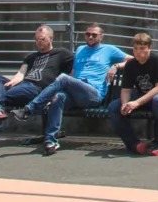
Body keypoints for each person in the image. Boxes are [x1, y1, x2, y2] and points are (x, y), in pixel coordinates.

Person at [23, 23, 128, 155]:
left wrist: (116, 66)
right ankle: (51, 141)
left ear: (101, 37)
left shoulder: (109, 50)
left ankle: (30, 108)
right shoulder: (80, 50)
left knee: (63, 78)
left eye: (94, 35)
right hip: (76, 92)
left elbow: (134, 59)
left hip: (93, 94)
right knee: (58, 97)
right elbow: (73, 73)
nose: (90, 37)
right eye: (87, 34)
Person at [0, 24, 73, 152]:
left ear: (51, 38)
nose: (38, 42)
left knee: (0, 100)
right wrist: (11, 83)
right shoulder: (30, 57)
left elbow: (73, 72)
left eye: (42, 39)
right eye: (36, 39)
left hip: (38, 90)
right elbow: (20, 74)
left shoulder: (62, 53)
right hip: (24, 86)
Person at [109, 31, 158, 156]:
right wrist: (125, 104)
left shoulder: (157, 60)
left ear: (149, 48)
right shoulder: (130, 64)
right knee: (114, 107)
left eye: (142, 48)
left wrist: (136, 103)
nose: (138, 52)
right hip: (143, 97)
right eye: (135, 48)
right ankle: (134, 144)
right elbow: (126, 89)